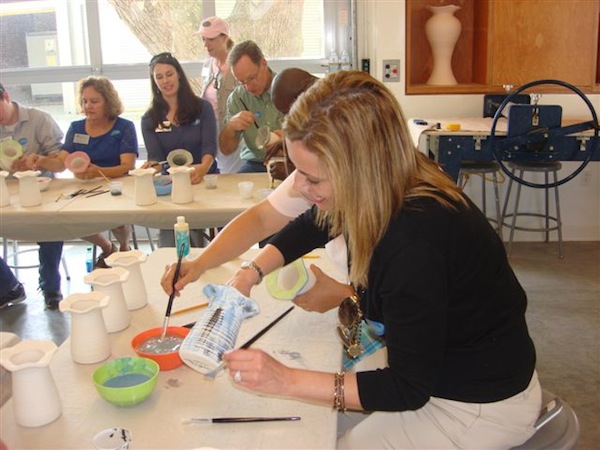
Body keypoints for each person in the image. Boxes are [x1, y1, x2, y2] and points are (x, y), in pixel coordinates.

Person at [195, 72, 542, 448]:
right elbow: (314, 223)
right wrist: (252, 272)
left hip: (479, 403)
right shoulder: (386, 179)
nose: (298, 186)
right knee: (317, 423)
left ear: (357, 171)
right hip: (441, 367)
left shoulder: (412, 243)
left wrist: (286, 380)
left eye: (312, 178)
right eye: (297, 171)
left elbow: (407, 388)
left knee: (334, 437)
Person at [161, 68, 351, 314]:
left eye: (311, 178)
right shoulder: (328, 181)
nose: (296, 185)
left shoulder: (405, 217)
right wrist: (201, 264)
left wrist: (350, 296)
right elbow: (265, 219)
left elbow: (406, 301)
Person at [30, 76, 138, 268]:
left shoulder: (124, 127)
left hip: (118, 186)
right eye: (84, 101)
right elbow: (61, 164)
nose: (88, 106)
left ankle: (124, 247)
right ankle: (107, 247)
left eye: (94, 101)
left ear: (108, 101)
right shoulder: (76, 127)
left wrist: (99, 172)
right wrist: (41, 160)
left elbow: (127, 166)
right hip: (85, 188)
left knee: (115, 216)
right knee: (69, 219)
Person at [140, 52, 218, 248]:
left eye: (169, 74)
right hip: (172, 187)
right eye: (159, 77)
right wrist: (149, 169)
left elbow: (209, 147)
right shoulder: (149, 119)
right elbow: (157, 159)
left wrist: (203, 167)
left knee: (204, 230)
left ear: (179, 75)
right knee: (170, 238)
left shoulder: (203, 108)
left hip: (204, 180)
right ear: (154, 81)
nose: (165, 81)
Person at [0, 82, 64, 309]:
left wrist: (38, 160)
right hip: (5, 192)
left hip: (43, 190)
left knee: (51, 225)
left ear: (6, 96)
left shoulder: (39, 119)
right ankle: (8, 287)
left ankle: (50, 286)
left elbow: (60, 162)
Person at [219, 40, 284, 173]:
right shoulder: (238, 98)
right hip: (255, 163)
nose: (248, 87)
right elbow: (226, 150)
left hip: (290, 162)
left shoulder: (288, 88)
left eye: (252, 78)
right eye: (242, 82)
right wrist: (231, 127)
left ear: (264, 63)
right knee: (238, 190)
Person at [197, 16, 243, 174]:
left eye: (210, 39)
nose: (205, 44)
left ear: (224, 38)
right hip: (211, 126)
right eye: (203, 39)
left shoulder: (237, 66)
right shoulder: (208, 64)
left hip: (232, 130)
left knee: (231, 173)